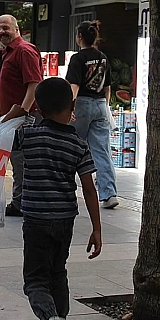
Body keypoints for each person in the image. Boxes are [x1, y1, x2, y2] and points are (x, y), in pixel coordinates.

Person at [13, 77, 102, 320]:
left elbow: (3, 134)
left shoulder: (28, 134)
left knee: (36, 281)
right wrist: (97, 228)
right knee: (57, 273)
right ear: (72, 106)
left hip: (36, 220)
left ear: (38, 107)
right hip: (64, 221)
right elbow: (89, 188)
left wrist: (18, 113)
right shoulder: (78, 144)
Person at [65, 21, 119, 209]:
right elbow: (108, 87)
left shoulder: (77, 59)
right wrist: (105, 106)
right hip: (100, 105)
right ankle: (109, 194)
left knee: (71, 146)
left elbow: (74, 86)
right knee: (102, 151)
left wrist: (69, 108)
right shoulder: (103, 57)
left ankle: (65, 189)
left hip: (81, 105)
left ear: (80, 37)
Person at [0, 14, 43, 217]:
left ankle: (21, 203)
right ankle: (20, 200)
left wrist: (23, 113)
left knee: (22, 160)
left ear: (17, 29)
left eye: (5, 27)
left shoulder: (24, 50)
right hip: (15, 118)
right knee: (18, 160)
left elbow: (34, 84)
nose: (1, 32)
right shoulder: (9, 52)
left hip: (24, 118)